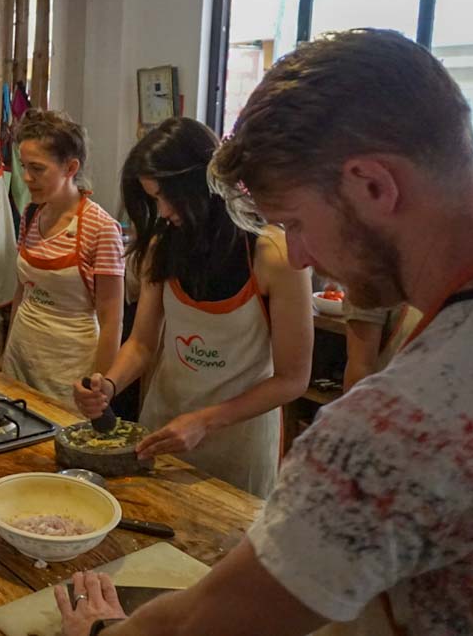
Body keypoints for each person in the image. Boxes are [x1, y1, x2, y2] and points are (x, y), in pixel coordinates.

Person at [56, 29, 473, 636]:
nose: (301, 256)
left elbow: (206, 624)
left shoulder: (395, 431)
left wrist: (98, 632)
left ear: (372, 185)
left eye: (296, 222)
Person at [76, 116, 313, 498]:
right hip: (164, 424)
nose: (164, 212)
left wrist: (206, 421)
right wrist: (109, 383)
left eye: (165, 197)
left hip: (239, 438)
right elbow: (142, 345)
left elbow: (292, 379)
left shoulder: (274, 254)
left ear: (200, 184)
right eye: (154, 200)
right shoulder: (164, 246)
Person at [1, 109, 125, 400]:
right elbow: (22, 292)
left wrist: (99, 390)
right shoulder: (31, 214)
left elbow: (111, 320)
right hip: (21, 355)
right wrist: (7, 351)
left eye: (38, 168)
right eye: (23, 166)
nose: (27, 178)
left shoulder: (101, 228)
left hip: (69, 366)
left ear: (70, 168)